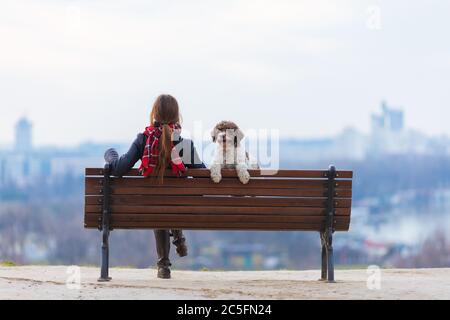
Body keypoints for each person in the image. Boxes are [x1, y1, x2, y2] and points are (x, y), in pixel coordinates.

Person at [103, 94, 205, 279]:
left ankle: (163, 265)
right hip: (180, 208)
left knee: (160, 206)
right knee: (170, 203)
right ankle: (178, 235)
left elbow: (118, 169)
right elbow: (203, 178)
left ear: (154, 114)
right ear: (177, 116)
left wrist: (111, 155)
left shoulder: (143, 140)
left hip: (151, 208)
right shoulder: (185, 145)